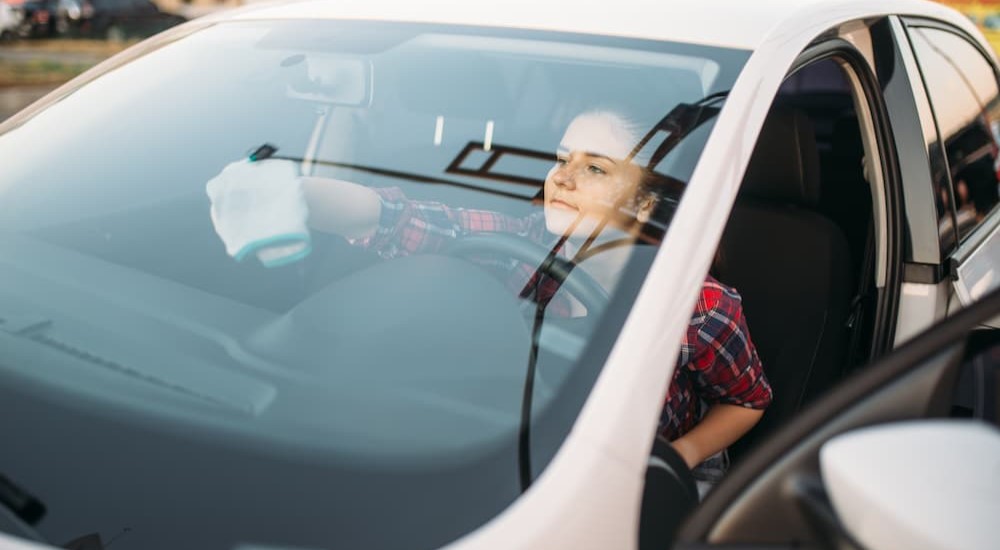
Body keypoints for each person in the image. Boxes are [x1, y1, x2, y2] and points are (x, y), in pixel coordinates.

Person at [207, 109, 772, 494]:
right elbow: (401, 218)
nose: (563, 177)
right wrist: (294, 194)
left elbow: (747, 400)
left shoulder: (700, 306)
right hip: (520, 451)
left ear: (647, 201)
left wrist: (682, 456)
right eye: (560, 158)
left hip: (648, 467)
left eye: (595, 168)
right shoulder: (518, 245)